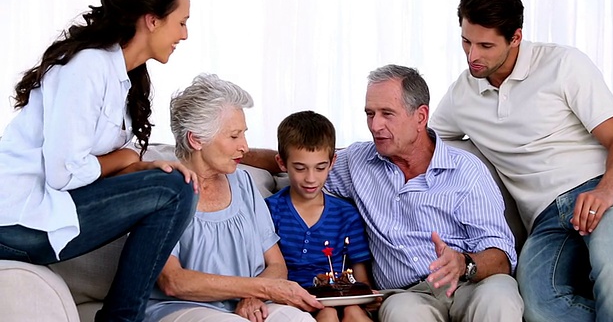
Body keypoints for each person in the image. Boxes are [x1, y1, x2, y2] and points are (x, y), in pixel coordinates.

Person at [244, 65, 523, 321]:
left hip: (470, 284)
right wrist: (231, 152)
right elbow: (301, 159)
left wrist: (464, 263)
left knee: (498, 298)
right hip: (408, 295)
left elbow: (501, 256)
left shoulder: (466, 170)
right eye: (370, 114)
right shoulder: (357, 162)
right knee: (403, 314)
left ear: (420, 116)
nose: (375, 125)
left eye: (387, 114)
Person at [430, 0, 613, 322]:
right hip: (544, 219)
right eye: (466, 42)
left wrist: (604, 193)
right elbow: (424, 142)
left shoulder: (563, 64)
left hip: (602, 191)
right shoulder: (461, 95)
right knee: (539, 308)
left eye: (485, 45)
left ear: (516, 38)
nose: (472, 56)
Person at [0, 0, 198, 321]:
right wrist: (123, 160)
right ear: (152, 20)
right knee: (176, 188)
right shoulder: (88, 66)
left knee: (174, 184)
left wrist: (136, 167)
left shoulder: (125, 77)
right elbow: (63, 174)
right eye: (181, 22)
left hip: (47, 215)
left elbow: (89, 163)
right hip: (18, 220)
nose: (184, 34)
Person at [145, 73, 322, 322]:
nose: (245, 147)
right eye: (234, 135)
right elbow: (174, 282)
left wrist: (253, 296)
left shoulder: (244, 183)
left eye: (244, 134)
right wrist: (261, 289)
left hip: (251, 303)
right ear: (196, 139)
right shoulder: (162, 191)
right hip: (180, 307)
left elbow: (276, 265)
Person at [265, 110, 373, 322]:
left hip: (339, 298)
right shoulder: (270, 210)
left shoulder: (346, 215)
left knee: (352, 312)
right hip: (289, 302)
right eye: (300, 168)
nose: (311, 178)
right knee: (328, 314)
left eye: (320, 167)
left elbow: (361, 278)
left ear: (332, 162)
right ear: (282, 163)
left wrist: (365, 298)